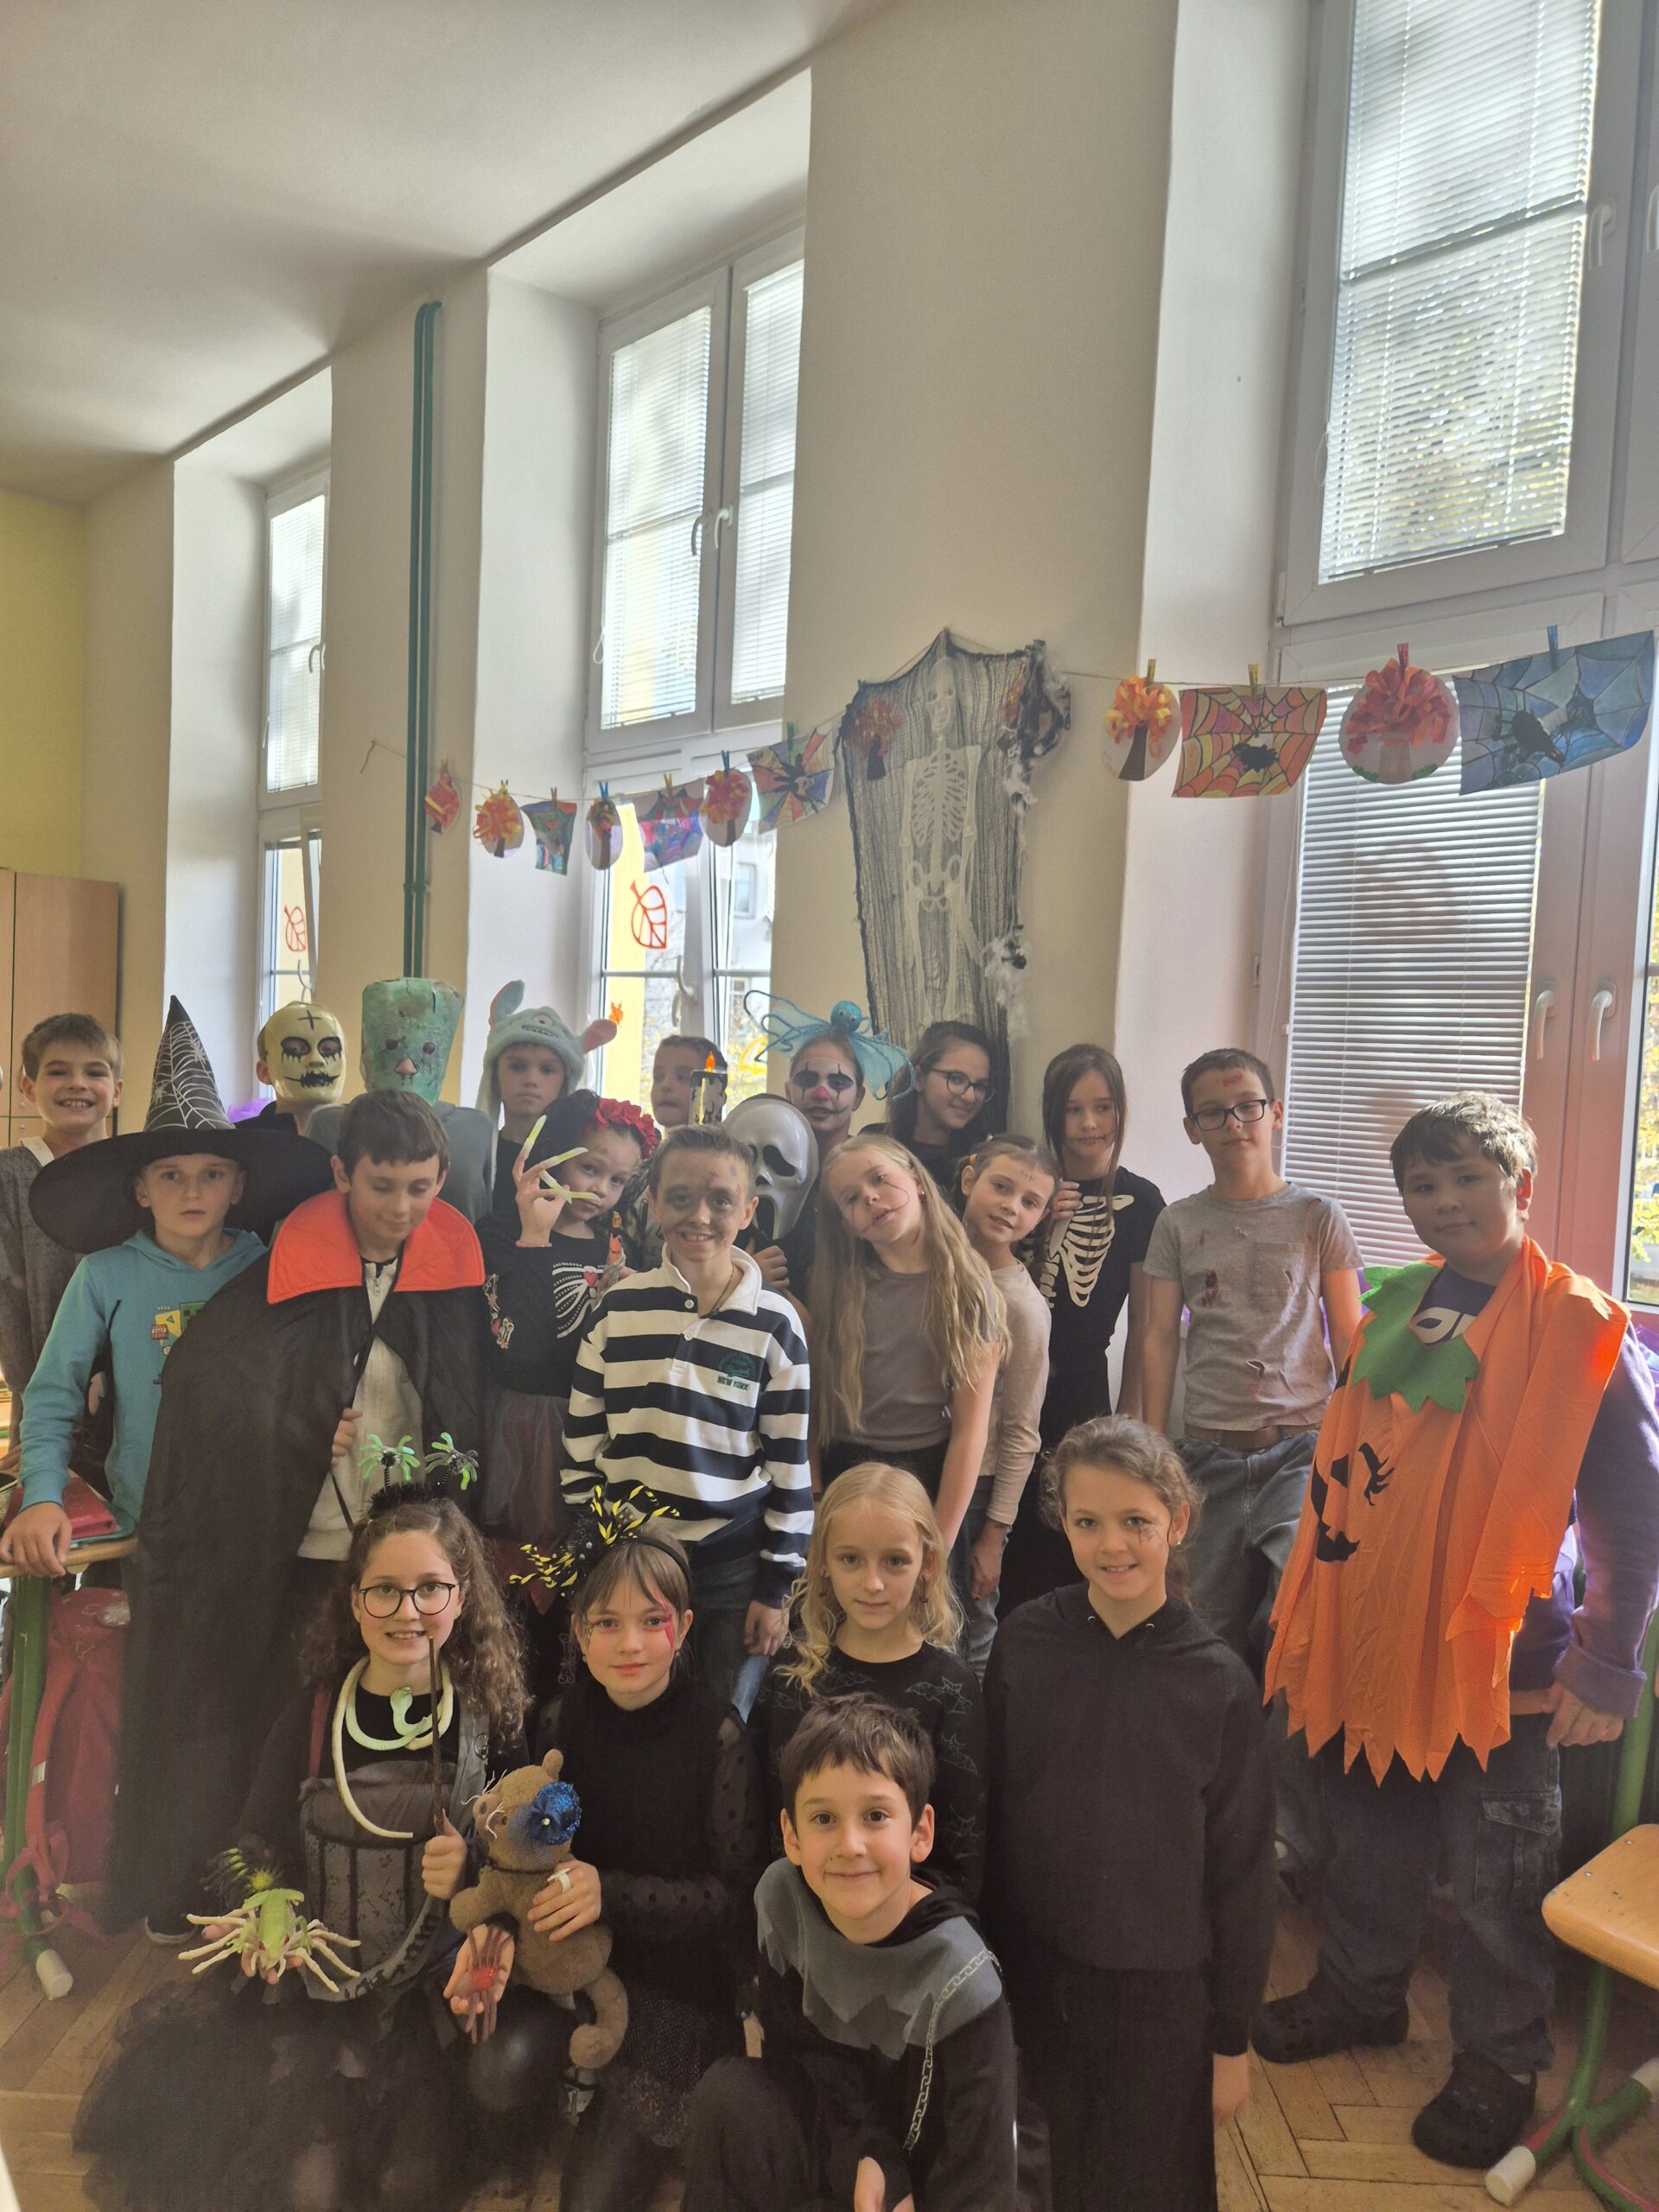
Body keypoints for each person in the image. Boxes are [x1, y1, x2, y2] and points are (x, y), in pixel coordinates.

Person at [1255, 1092, 1659, 2171]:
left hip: (1503, 1669)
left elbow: (1631, 1507)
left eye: (1467, 1178)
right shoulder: (1395, 1304)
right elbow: (1351, 1468)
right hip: (1378, 1648)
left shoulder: (1580, 1326)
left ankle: (1498, 2060)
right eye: (1422, 1185)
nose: (1444, 1201)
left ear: (1520, 1184)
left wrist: (1606, 1661)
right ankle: (1362, 1992)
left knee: (1496, 1880)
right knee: (1367, 1843)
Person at [76, 1487, 531, 2212]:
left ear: (464, 1596)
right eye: (384, 1590)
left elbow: (529, 1865)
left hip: (434, 2002)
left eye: (429, 1588)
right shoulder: (312, 1717)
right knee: (306, 2188)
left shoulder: (490, 1726)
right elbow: (249, 1845)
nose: (407, 1610)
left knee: (408, 2184)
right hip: (316, 2000)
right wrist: (267, 1901)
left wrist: (477, 1875)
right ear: (354, 1602)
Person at [111, 1089, 492, 1937]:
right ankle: (260, 1888)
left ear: (443, 1180)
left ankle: (377, 1899)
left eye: (421, 1187)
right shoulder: (289, 1267)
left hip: (401, 1556)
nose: (402, 1208)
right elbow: (216, 1393)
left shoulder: (451, 1273)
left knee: (385, 1730)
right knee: (284, 1726)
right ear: (341, 1175)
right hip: (309, 1551)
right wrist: (298, 1432)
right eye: (382, 1186)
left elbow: (468, 1405)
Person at [985, 1417, 1275, 2212]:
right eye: (1088, 1522)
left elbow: (1244, 1876)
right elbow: (994, 1820)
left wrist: (1230, 2042)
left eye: (1135, 1522)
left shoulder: (1219, 1685)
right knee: (1044, 2179)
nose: (1112, 1545)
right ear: (1062, 1522)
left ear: (1177, 1521)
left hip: (1162, 2003)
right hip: (1037, 1982)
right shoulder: (1023, 1645)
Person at [4, 1000, 332, 1576]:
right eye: (171, 1175)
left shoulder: (268, 1270)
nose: (192, 1193)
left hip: (257, 1521)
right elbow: (53, 1396)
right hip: (144, 1522)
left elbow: (305, 1381)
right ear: (141, 1189)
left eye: (212, 1174)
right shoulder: (104, 1275)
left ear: (238, 1187)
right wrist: (44, 1496)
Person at [500, 1524, 765, 2212]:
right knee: (499, 2070)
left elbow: (732, 1898)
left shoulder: (718, 1736)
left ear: (684, 1628)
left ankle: (618, 2117)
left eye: (653, 1621)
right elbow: (532, 1849)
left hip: (672, 1990)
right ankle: (548, 2113)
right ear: (579, 1631)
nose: (630, 1644)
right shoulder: (558, 1722)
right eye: (607, 1623)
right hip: (571, 1971)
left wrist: (608, 1894)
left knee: (589, 2202)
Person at [683, 1695, 1019, 2212]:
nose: (850, 1844)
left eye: (876, 1816)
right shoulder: (780, 1898)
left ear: (920, 1833)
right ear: (791, 1836)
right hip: (846, 2141)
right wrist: (867, 2154)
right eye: (823, 1818)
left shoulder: (963, 1979)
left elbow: (982, 2172)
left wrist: (897, 2182)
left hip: (934, 2179)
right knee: (727, 2096)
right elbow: (796, 2060)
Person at [560, 1124, 813, 1708]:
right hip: (628, 1561)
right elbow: (581, 1448)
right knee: (629, 1713)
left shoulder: (776, 1325)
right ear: (652, 1204)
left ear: (747, 1211)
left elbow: (789, 1467)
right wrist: (597, 1552)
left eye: (720, 1200)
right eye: (680, 1197)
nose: (699, 1216)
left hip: (729, 1569)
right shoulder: (618, 1310)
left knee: (719, 1722)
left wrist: (775, 1588)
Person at [1140, 1047, 1362, 1664]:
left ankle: (1280, 1727)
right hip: (1205, 1456)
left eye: (1247, 1107)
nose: (1234, 1123)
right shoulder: (1177, 1223)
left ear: (1276, 1113)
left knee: (1296, 1616)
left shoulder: (1319, 1216)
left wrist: (1358, 1436)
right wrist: (1154, 1448)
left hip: (1301, 1451)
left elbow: (1349, 1334)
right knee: (1203, 1627)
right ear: (1193, 1129)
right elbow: (1158, 1336)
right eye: (1213, 1113)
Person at [749, 1460, 987, 1899]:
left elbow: (962, 1852)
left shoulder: (952, 1689)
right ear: (822, 1561)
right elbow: (764, 1820)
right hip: (798, 1917)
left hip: (907, 1925)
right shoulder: (791, 1675)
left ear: (928, 1563)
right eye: (850, 1559)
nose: (872, 1583)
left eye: (895, 1561)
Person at [999, 1043, 1165, 1615]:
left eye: (1102, 1107)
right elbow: (992, 1284)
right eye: (1073, 1109)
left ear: (1120, 1110)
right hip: (1008, 1380)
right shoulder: (1024, 1190)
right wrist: (1040, 1224)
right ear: (1053, 1112)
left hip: (1084, 1390)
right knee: (1008, 1536)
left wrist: (1133, 1421)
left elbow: (1146, 1323)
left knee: (1077, 1534)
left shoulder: (1143, 1202)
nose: (1089, 1124)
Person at [810, 1135, 1005, 1567]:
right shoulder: (835, 1290)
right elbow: (809, 1409)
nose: (870, 1197)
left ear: (917, 1179)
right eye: (851, 1198)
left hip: (927, 1475)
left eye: (879, 1178)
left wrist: (940, 1541)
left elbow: (970, 1432)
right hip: (844, 1469)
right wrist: (816, 1497)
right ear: (847, 1225)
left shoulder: (969, 1292)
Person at [479, 1091, 656, 1549]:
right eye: (590, 1169)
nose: (601, 1190)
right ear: (551, 1154)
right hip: (526, 1422)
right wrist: (536, 1236)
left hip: (591, 1422)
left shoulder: (612, 1247)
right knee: (522, 1554)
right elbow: (522, 1348)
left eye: (618, 1180)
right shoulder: (500, 1233)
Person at [0, 1013, 123, 1466]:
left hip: (133, 1399)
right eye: (58, 1071)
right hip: (45, 1407)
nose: (77, 1083)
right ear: (28, 1087)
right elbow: (7, 1303)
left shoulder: (138, 1176)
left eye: (94, 1071)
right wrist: (40, 1407)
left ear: (117, 1090)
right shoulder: (7, 1176)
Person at [957, 1135, 1057, 1669]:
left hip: (980, 1487)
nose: (1011, 1207)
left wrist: (994, 1534)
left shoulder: (1023, 1307)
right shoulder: (928, 1268)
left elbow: (1022, 1431)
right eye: (1001, 1187)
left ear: (1040, 1217)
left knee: (972, 1619)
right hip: (918, 1466)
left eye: (1029, 1201)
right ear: (969, 1179)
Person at [305, 977, 498, 1224]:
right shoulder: (331, 1124)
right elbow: (311, 1218)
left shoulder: (475, 1128)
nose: (407, 1067)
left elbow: (482, 1216)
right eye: (390, 1047)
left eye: (427, 1050)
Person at [473, 980, 619, 1211]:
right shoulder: (471, 1156)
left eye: (547, 1070)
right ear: (495, 1075)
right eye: (517, 1067)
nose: (531, 1080)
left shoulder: (579, 1163)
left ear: (565, 1082)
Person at [618, 1033, 727, 1268]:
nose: (666, 1085)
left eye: (683, 1078)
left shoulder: (728, 1165)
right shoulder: (641, 1163)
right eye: (658, 1077)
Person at [885, 1020, 998, 1198]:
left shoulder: (985, 1162)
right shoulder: (877, 1145)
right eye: (956, 1079)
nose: (970, 1097)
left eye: (980, 1086)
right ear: (919, 1078)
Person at [253, 1001, 346, 1136]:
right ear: (265, 1072)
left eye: (329, 1050)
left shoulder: (364, 1137)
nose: (317, 1060)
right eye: (295, 1050)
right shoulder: (242, 1143)